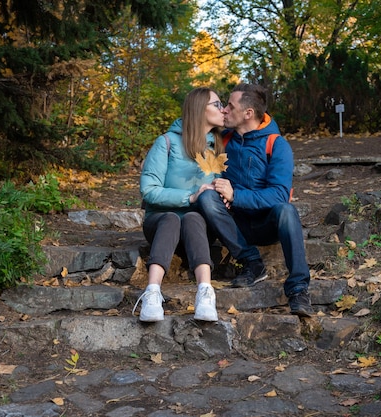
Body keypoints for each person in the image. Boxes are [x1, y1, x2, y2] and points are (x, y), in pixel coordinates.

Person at [196, 83, 312, 317]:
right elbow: (195, 140)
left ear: (248, 113)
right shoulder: (223, 140)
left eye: (230, 105)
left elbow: (279, 194)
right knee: (207, 197)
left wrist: (236, 195)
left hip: (266, 223)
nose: (225, 110)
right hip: (234, 224)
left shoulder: (276, 145)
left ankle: (298, 289)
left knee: (287, 210)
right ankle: (252, 263)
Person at [134, 87, 226, 322]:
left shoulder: (216, 147)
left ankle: (205, 292)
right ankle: (152, 292)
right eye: (216, 104)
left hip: (198, 229)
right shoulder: (166, 142)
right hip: (161, 222)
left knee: (193, 218)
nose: (222, 108)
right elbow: (149, 190)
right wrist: (190, 197)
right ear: (199, 109)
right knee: (173, 218)